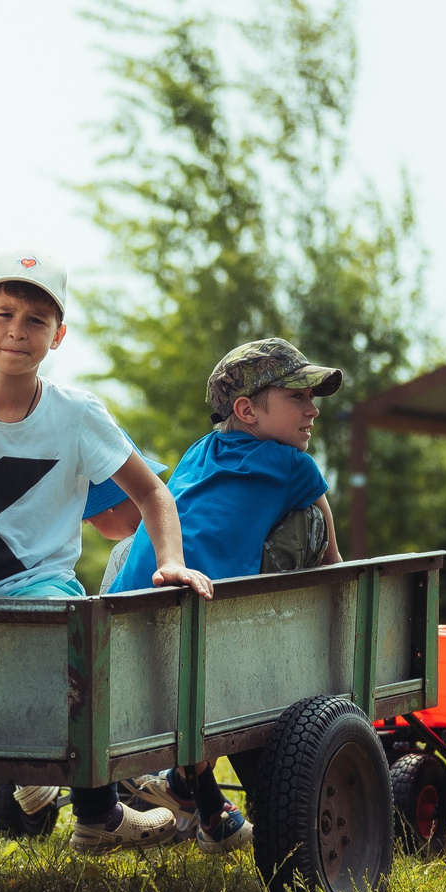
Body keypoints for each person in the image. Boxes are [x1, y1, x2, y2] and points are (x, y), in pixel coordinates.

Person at [0, 248, 225, 853]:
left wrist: (171, 560)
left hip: (40, 589)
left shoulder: (76, 414)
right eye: (3, 315)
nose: (16, 333)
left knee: (80, 642)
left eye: (35, 321)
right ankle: (73, 794)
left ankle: (96, 811)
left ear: (58, 337)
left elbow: (153, 492)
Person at [103, 336, 345, 830]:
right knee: (312, 524)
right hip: (207, 614)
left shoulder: (198, 451)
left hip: (133, 604)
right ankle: (185, 787)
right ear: (247, 410)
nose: (312, 410)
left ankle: (193, 795)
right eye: (298, 397)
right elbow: (333, 555)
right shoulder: (296, 466)